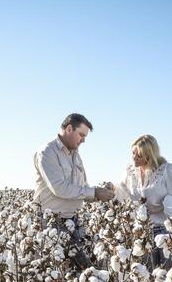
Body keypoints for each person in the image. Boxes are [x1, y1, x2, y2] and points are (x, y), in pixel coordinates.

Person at [34, 113, 115, 270]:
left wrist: (102, 192)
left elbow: (82, 187)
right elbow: (59, 188)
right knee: (69, 271)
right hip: (52, 222)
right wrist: (95, 192)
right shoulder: (47, 152)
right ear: (69, 129)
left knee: (83, 270)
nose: (83, 140)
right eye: (81, 135)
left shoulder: (76, 155)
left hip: (73, 219)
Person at [114, 134, 172, 270]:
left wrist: (170, 211)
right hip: (142, 230)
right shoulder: (130, 171)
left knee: (170, 272)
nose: (134, 158)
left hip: (166, 229)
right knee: (146, 274)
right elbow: (122, 192)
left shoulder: (167, 171)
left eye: (139, 155)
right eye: (133, 153)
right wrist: (110, 190)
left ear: (150, 155)